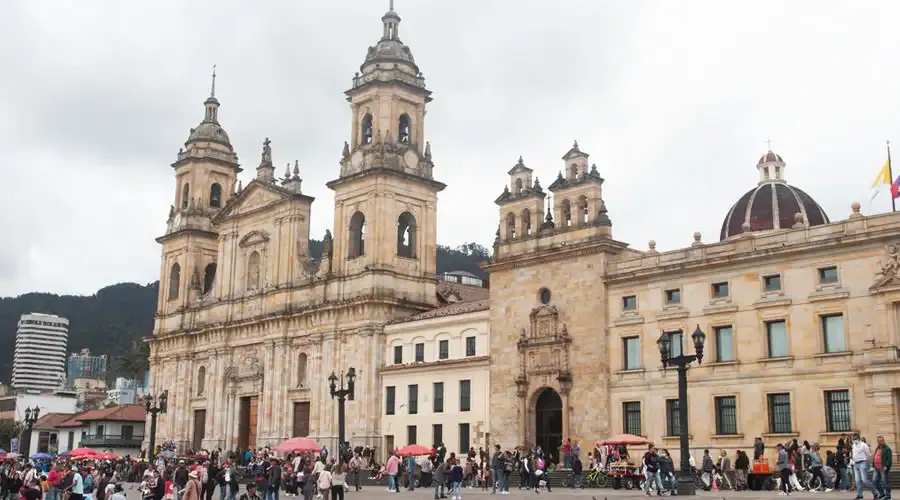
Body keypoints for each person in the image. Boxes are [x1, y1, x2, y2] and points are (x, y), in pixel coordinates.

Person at [873, 436, 893, 500]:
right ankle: (882, 494)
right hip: (876, 467)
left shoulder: (887, 448)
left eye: (881, 441)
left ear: (883, 440)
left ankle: (888, 496)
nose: (880, 442)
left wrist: (886, 466)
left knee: (885, 482)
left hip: (883, 467)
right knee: (875, 481)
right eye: (879, 441)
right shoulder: (877, 448)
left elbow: (889, 459)